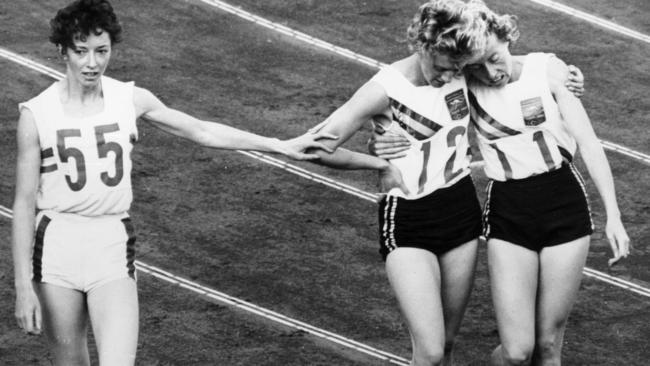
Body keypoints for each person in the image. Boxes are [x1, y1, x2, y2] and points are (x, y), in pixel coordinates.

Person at [11, 0, 334, 365]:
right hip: (57, 249)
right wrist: (23, 286)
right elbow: (23, 203)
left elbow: (201, 130)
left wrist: (277, 144)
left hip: (110, 243)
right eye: (81, 51)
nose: (92, 63)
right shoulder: (36, 115)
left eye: (102, 51)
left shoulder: (129, 99)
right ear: (62, 51)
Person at [369, 1, 629, 365]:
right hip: (508, 209)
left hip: (564, 204)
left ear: (508, 37)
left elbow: (588, 143)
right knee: (518, 352)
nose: (492, 72)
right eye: (478, 64)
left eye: (494, 57)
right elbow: (418, 107)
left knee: (549, 346)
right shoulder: (463, 82)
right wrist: (381, 139)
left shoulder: (548, 70)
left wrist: (613, 215)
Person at [302, 1, 491, 365]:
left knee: (447, 345)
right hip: (407, 216)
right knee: (431, 349)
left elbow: (507, 56)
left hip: (461, 210)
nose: (448, 77)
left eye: (457, 70)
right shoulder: (384, 89)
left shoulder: (461, 67)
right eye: (441, 67)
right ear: (424, 45)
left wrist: (564, 73)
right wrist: (376, 161)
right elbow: (317, 147)